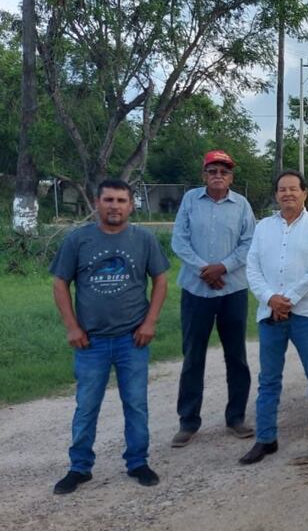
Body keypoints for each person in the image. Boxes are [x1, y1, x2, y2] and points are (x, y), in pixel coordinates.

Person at [51, 178, 170, 494]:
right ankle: (79, 467)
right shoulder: (79, 240)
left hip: (133, 339)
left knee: (136, 404)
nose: (114, 206)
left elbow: (160, 279)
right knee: (86, 405)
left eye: (120, 200)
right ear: (96, 202)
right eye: (108, 200)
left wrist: (150, 322)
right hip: (91, 341)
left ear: (131, 205)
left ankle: (137, 462)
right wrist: (72, 327)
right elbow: (60, 283)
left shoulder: (143, 239)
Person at [241, 170, 308, 468]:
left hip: (305, 314)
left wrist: (288, 299)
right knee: (268, 380)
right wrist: (270, 299)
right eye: (282, 189)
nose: (288, 194)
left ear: (305, 193)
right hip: (270, 314)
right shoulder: (263, 227)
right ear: (276, 194)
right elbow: (252, 266)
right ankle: (266, 438)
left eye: (294, 189)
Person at [170, 151, 256, 447]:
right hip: (196, 290)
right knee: (193, 356)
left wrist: (223, 268)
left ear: (231, 177)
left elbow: (248, 243)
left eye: (224, 171)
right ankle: (188, 421)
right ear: (203, 174)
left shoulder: (242, 205)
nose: (218, 175)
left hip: (232, 289)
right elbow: (178, 240)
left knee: (236, 356)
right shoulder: (191, 201)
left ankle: (236, 417)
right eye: (213, 170)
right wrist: (203, 270)